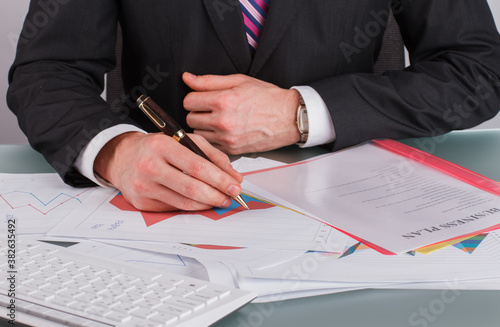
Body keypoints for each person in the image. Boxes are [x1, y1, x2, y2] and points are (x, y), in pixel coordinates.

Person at [8, 0, 500, 212]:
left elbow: (479, 69)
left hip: (351, 203)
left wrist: (301, 113)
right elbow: (46, 70)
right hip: (166, 210)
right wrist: (117, 152)